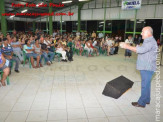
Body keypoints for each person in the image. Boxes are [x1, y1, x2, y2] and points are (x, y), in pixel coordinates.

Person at [120, 26, 158, 108]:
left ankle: (141, 102)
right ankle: (147, 99)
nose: (141, 33)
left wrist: (126, 46)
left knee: (144, 84)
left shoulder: (150, 41)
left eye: (142, 32)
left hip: (147, 67)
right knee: (147, 84)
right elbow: (142, 49)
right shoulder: (148, 41)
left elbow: (141, 50)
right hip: (147, 66)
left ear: (148, 33)